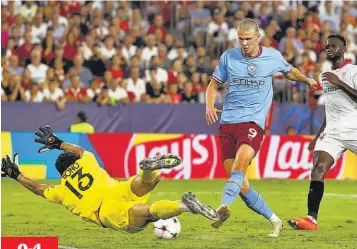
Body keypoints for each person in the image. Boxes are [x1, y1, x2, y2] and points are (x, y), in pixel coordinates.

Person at [205, 18, 317, 237]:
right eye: (240, 39)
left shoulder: (272, 56)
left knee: (240, 165)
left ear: (258, 38)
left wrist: (306, 80)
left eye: (248, 39)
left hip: (252, 123)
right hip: (227, 123)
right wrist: (209, 105)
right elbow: (213, 84)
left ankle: (222, 207)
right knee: (241, 185)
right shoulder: (228, 57)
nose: (244, 43)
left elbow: (289, 71)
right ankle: (275, 220)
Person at [1, 125, 218, 234]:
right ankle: (147, 171)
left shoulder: (61, 190)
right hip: (118, 189)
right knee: (145, 183)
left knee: (148, 212)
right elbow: (78, 150)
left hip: (104, 211)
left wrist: (16, 175)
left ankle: (184, 205)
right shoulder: (88, 160)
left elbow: (38, 188)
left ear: (61, 172)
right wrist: (57, 143)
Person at [288, 34, 357, 230]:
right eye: (327, 47)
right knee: (317, 169)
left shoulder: (353, 72)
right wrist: (317, 137)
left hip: (354, 127)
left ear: (344, 49)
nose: (329, 49)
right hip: (333, 132)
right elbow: (330, 110)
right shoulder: (324, 76)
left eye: (334, 46)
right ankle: (311, 219)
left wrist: (340, 83)